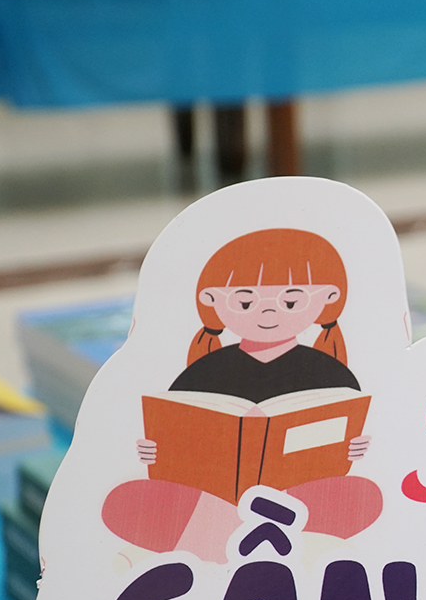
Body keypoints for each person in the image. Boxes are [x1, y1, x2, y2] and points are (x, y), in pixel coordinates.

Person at [101, 228, 381, 562]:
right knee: (123, 500)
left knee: (364, 495)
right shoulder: (203, 371)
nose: (268, 313)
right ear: (212, 300)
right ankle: (249, 534)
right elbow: (173, 438)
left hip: (295, 493)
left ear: (328, 298)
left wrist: (356, 448)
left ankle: (226, 536)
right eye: (245, 302)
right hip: (211, 497)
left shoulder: (331, 374)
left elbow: (341, 442)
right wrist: (152, 451)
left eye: (291, 301)